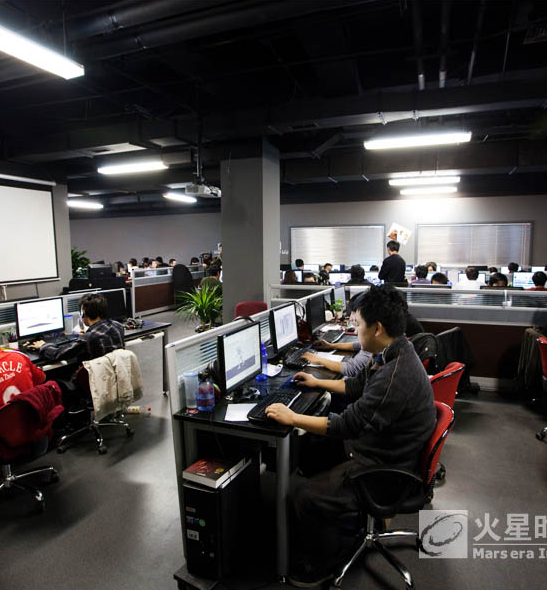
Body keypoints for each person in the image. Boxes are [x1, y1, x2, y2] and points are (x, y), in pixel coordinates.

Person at [265, 286, 436, 586]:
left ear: (377, 328)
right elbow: (356, 386)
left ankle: (321, 564)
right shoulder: (393, 352)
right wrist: (317, 382)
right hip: (381, 445)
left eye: (358, 325)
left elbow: (347, 425)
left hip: (384, 465)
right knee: (309, 449)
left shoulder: (396, 373)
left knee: (305, 497)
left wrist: (293, 418)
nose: (355, 331)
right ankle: (329, 519)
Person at [28, 294, 125, 364]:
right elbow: (100, 336)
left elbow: (58, 354)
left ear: (83, 313)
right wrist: (89, 332)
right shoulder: (118, 326)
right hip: (113, 376)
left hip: (91, 380)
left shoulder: (87, 339)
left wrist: (43, 345)